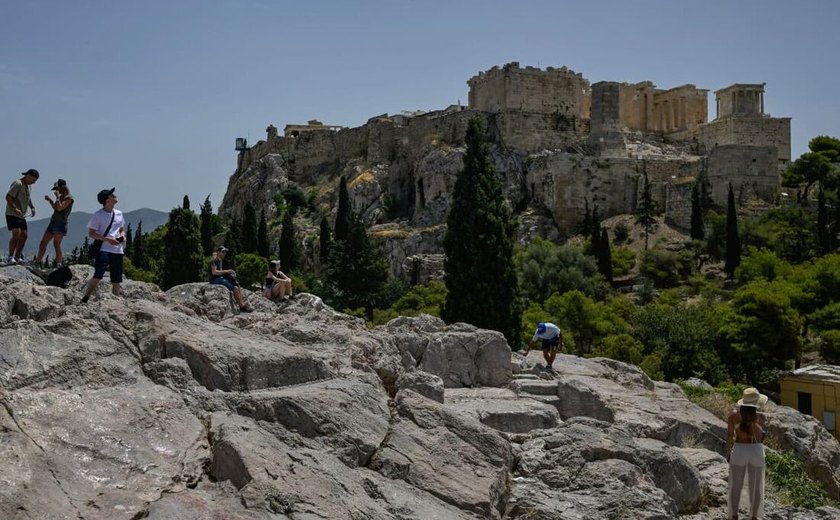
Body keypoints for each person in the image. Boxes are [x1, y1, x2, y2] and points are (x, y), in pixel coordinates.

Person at [726, 387, 768, 520]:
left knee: (735, 485)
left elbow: (729, 436)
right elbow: (760, 437)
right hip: (755, 450)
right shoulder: (760, 417)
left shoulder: (733, 416)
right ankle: (754, 516)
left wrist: (728, 452)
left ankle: (734, 515)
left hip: (739, 449)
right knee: (756, 487)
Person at [81, 188, 126, 303]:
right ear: (107, 200)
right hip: (104, 249)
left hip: (117, 250)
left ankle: (115, 302)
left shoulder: (119, 213)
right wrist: (108, 239)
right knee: (98, 275)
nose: (114, 196)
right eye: (111, 195)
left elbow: (121, 229)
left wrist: (122, 236)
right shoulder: (98, 215)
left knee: (117, 278)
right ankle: (86, 296)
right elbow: (91, 233)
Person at [35, 179, 74, 267]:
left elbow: (60, 208)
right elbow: (56, 209)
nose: (57, 190)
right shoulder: (61, 197)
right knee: (43, 242)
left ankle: (59, 263)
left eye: (57, 188)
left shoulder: (69, 198)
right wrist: (51, 201)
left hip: (61, 223)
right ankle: (38, 262)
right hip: (53, 221)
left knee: (56, 244)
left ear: (62, 187)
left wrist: (57, 197)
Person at [5, 168, 39, 264]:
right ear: (28, 176)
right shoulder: (18, 183)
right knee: (16, 233)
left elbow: (28, 198)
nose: (34, 183)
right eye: (33, 180)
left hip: (22, 215)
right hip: (12, 213)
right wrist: (15, 208)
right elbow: (8, 197)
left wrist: (32, 207)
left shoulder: (28, 187)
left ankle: (17, 257)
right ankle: (10, 257)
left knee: (24, 235)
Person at [208, 246, 253, 312]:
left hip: (220, 277)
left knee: (237, 284)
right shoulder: (214, 261)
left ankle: (241, 302)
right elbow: (214, 272)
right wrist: (227, 271)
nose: (224, 253)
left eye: (225, 252)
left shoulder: (220, 260)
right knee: (235, 288)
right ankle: (241, 306)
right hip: (215, 279)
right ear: (218, 252)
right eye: (223, 251)